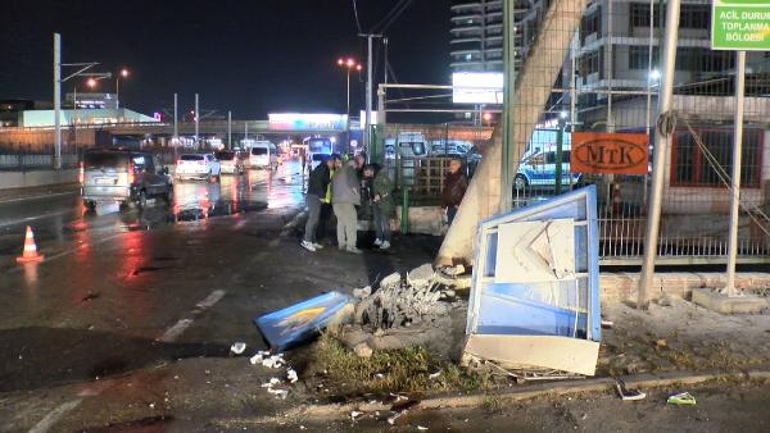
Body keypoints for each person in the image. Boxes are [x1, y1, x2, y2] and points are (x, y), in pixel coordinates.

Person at [301, 155, 334, 252]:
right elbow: (317, 182)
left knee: (316, 220)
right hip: (313, 197)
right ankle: (306, 240)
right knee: (313, 219)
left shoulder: (324, 169)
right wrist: (322, 196)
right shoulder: (322, 169)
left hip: (315, 197)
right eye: (332, 162)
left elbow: (325, 181)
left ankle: (313, 240)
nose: (333, 164)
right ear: (328, 161)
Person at [332, 158, 362, 254]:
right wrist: (356, 194)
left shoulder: (336, 172)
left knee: (341, 223)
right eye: (356, 167)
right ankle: (351, 246)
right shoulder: (350, 169)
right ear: (354, 164)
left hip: (336, 203)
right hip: (346, 202)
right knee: (351, 223)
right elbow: (353, 184)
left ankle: (341, 243)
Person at [365, 164, 395, 250]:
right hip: (375, 203)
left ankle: (387, 240)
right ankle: (379, 238)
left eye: (367, 173)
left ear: (371, 171)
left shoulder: (381, 176)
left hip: (384, 203)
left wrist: (380, 195)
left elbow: (390, 187)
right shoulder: (370, 179)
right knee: (377, 221)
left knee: (385, 222)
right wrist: (371, 198)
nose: (365, 175)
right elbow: (371, 189)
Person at [442, 157, 468, 226]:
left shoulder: (461, 176)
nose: (451, 166)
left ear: (459, 165)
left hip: (456, 207)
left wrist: (459, 205)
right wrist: (444, 205)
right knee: (450, 225)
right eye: (450, 164)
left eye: (453, 164)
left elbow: (466, 191)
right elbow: (446, 191)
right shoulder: (449, 176)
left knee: (456, 225)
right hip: (450, 206)